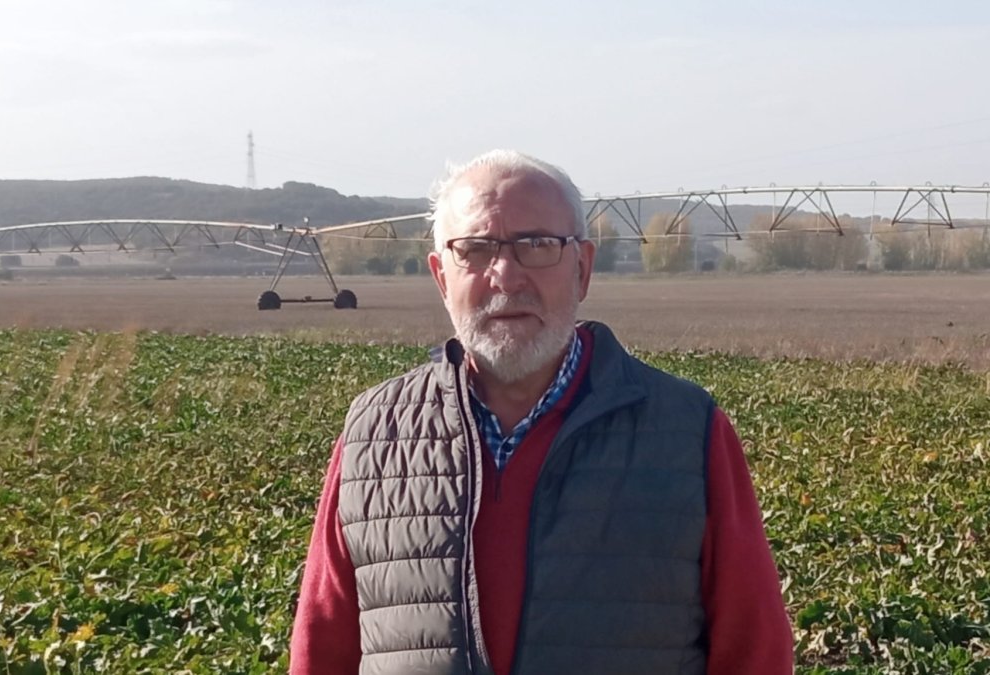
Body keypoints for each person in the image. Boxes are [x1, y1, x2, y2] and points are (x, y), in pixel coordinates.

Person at [290, 150, 794, 674]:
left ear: (582, 269)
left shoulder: (686, 431)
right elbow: (321, 652)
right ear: (442, 277)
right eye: (476, 249)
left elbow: (754, 651)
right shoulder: (375, 434)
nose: (505, 276)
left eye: (537, 245)